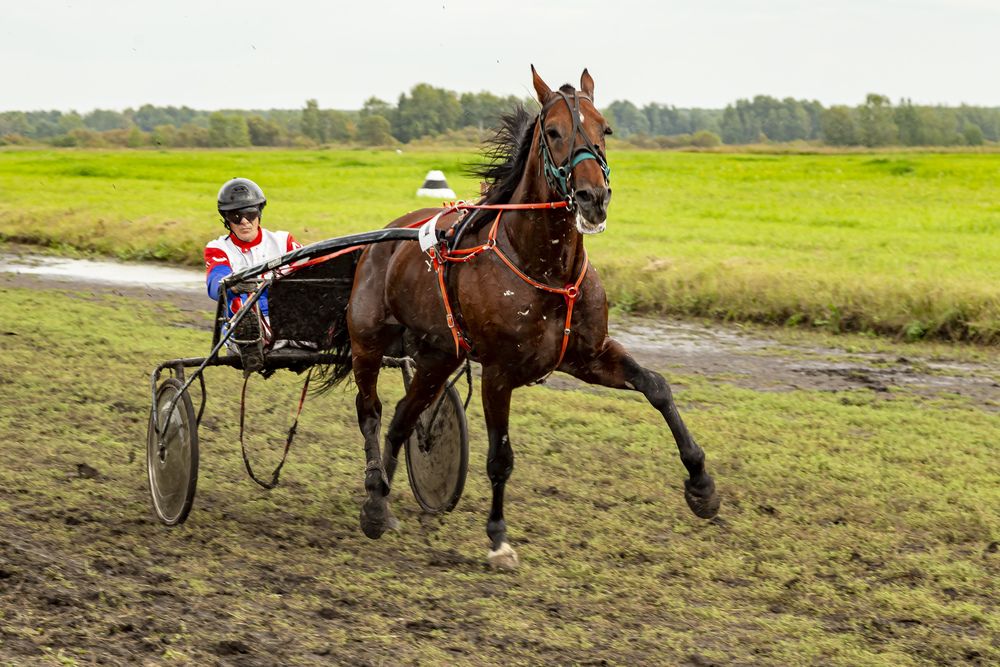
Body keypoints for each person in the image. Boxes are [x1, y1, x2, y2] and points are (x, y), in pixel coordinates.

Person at [204, 177, 301, 372]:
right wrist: (230, 284)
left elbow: (312, 271)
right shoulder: (218, 248)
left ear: (259, 213)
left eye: (250, 213)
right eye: (236, 216)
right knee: (244, 309)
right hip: (241, 323)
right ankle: (250, 340)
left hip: (286, 321)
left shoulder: (283, 241)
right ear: (226, 219)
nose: (245, 222)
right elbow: (215, 283)